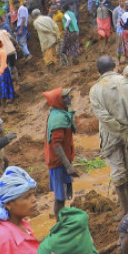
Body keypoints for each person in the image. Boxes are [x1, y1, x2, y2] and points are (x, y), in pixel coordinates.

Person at [89, 56, 128, 216]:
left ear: (99, 71)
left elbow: (103, 117)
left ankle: (125, 209)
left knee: (118, 170)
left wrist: (118, 130)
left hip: (110, 135)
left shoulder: (95, 90)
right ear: (115, 66)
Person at [43, 87, 77, 219]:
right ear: (58, 100)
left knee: (61, 195)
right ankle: (59, 223)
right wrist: (68, 165)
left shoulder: (60, 113)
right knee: (60, 197)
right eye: (65, 97)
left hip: (60, 161)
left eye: (68, 96)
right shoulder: (58, 119)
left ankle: (60, 221)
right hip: (58, 163)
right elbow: (56, 145)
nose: (69, 99)